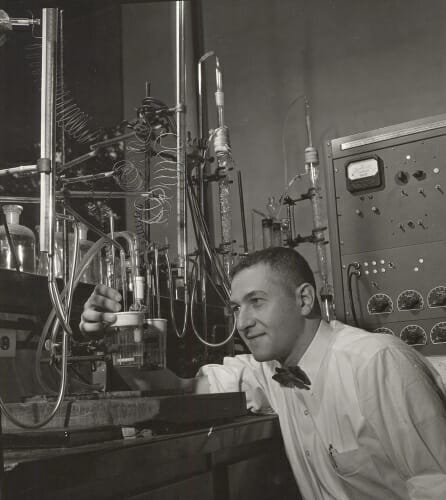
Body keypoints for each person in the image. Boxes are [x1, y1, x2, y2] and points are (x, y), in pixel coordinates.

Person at [80, 247, 446, 500]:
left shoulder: (376, 363)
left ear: (304, 300)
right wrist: (116, 342)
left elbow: (436, 486)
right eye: (236, 308)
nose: (242, 323)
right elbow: (181, 391)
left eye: (257, 302)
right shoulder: (268, 371)